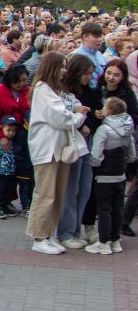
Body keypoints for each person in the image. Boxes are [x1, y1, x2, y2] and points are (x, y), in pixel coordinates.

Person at [26, 52, 88, 255]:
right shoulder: (43, 89)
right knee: (45, 194)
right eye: (61, 66)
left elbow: (69, 106)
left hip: (60, 149)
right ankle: (39, 236)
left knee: (58, 194)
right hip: (46, 149)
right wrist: (79, 117)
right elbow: (61, 117)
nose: (64, 70)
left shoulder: (57, 90)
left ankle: (49, 234)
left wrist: (76, 111)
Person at [57, 54, 101, 248]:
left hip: (86, 142)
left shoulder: (90, 91)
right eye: (87, 74)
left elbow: (95, 113)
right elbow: (67, 115)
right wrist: (81, 117)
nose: (89, 78)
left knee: (84, 189)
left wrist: (89, 122)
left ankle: (75, 230)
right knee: (70, 189)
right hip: (71, 143)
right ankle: (65, 232)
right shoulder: (64, 91)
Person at [86, 97, 135, 254]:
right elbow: (132, 154)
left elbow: (96, 155)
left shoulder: (104, 129)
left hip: (104, 177)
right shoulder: (128, 128)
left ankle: (103, 242)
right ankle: (115, 241)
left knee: (104, 209)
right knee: (118, 209)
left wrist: (95, 165)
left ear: (108, 111)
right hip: (120, 175)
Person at [0, 115, 31, 219]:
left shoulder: (14, 141)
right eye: (8, 130)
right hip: (0, 172)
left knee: (9, 190)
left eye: (13, 130)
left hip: (11, 172)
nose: (11, 132)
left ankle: (5, 206)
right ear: (1, 127)